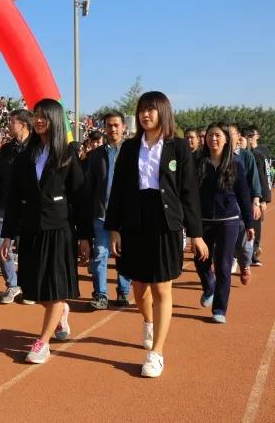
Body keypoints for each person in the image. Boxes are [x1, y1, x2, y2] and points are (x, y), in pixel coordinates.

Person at [105, 91, 208, 378]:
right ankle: (148, 321)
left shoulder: (178, 147)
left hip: (165, 221)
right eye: (142, 110)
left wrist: (196, 233)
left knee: (162, 288)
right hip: (134, 221)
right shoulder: (129, 147)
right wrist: (114, 228)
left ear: (163, 112)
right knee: (139, 290)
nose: (145, 114)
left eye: (151, 110)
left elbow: (189, 192)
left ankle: (156, 352)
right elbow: (118, 191)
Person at [0, 99, 92, 364]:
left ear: (55, 120)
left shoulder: (67, 154)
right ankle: (61, 311)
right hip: (31, 230)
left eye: (45, 116)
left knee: (54, 289)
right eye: (37, 115)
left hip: (59, 229)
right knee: (34, 288)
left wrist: (85, 236)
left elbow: (81, 197)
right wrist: (8, 234)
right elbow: (13, 197)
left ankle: (42, 343)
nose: (39, 120)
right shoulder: (25, 155)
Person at [196, 123, 253, 323]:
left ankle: (219, 309)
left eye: (218, 135)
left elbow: (243, 195)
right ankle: (209, 287)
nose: (213, 139)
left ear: (226, 139)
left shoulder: (235, 164)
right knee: (201, 261)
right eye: (210, 135)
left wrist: (249, 223)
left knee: (223, 265)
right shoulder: (198, 163)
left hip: (228, 221)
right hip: (203, 221)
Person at [85, 111, 131, 309]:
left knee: (124, 255)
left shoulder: (133, 152)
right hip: (102, 215)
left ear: (124, 127)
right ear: (104, 128)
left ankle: (123, 292)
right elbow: (90, 186)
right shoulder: (95, 155)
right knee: (100, 254)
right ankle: (100, 294)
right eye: (109, 125)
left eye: (116, 125)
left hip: (126, 216)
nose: (113, 129)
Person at [0, 109, 32, 304]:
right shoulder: (7, 149)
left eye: (12, 122)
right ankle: (12, 284)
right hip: (7, 206)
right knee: (1, 244)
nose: (8, 125)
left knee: (28, 249)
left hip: (29, 207)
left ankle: (29, 287)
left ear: (23, 125)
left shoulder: (37, 146)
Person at [229, 124, 261, 284]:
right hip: (223, 207)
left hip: (242, 205)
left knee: (243, 241)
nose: (228, 136)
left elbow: (254, 180)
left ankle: (245, 264)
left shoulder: (246, 156)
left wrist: (256, 201)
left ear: (238, 137)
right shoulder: (216, 155)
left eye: (231, 133)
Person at [244, 126, 270, 267]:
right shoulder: (236, 154)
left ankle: (253, 253)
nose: (248, 138)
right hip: (241, 197)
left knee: (255, 226)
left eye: (251, 135)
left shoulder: (260, 154)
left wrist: (264, 199)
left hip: (256, 197)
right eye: (246, 136)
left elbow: (264, 177)